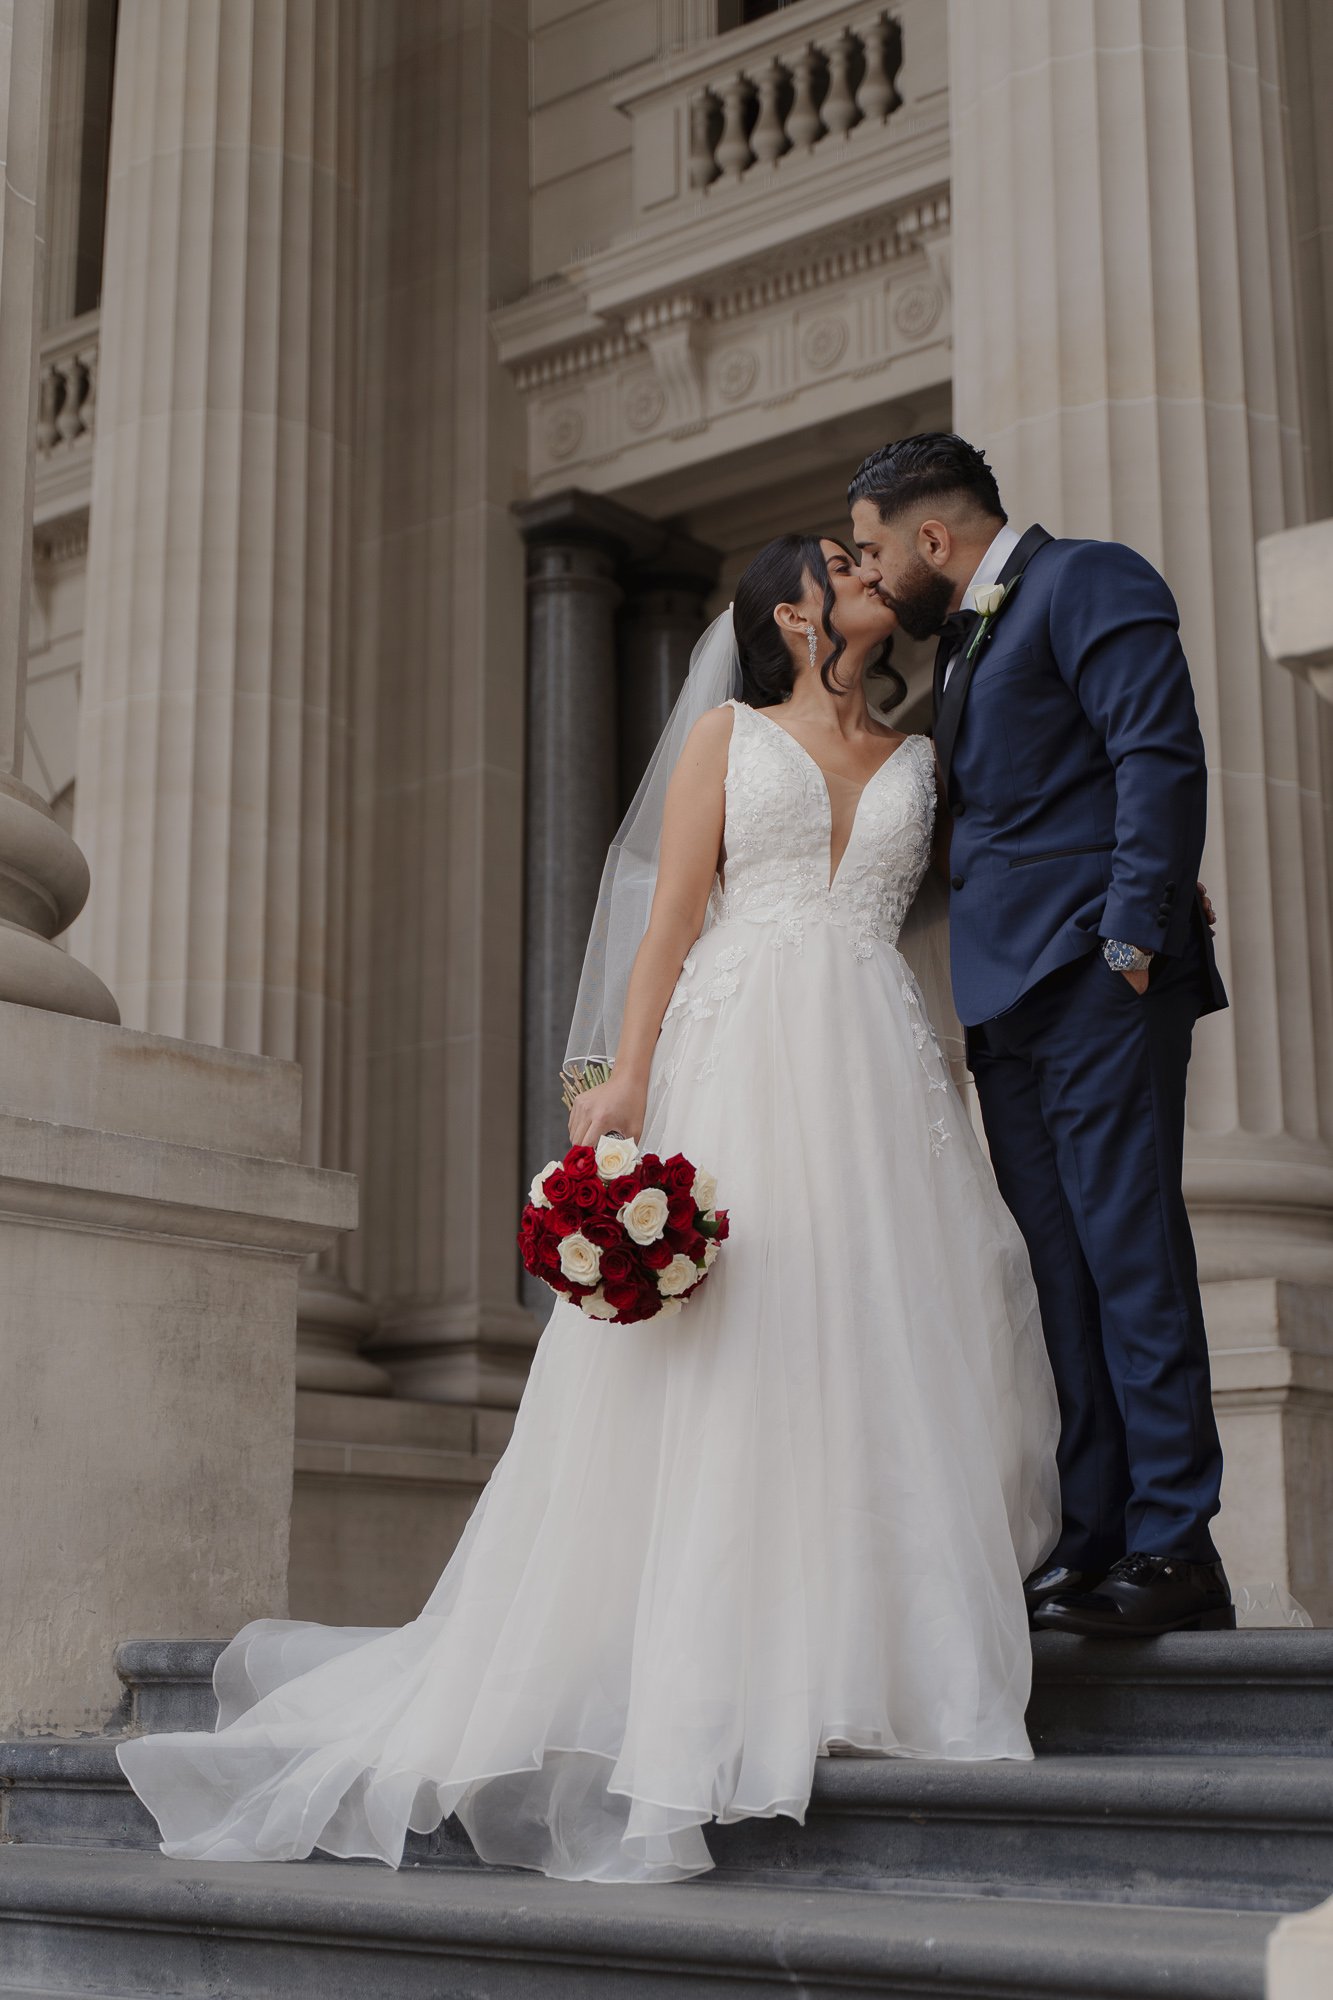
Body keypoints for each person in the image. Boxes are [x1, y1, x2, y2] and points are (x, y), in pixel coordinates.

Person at [117, 535, 1060, 1886]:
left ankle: (874, 1663)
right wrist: (620, 1079)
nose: (867, 573)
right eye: (843, 565)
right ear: (795, 613)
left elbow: (966, 905)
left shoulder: (923, 755)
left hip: (879, 1063)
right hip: (741, 1053)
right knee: (740, 1341)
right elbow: (668, 919)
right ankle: (713, 1675)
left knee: (878, 1337)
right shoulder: (728, 737)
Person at [849, 433, 1232, 1638]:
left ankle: (1178, 1539)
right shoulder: (959, 644)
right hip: (1003, 1007)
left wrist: (1132, 934)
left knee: (1129, 1254)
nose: (868, 571)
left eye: (871, 549)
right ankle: (1095, 1532)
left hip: (1092, 980)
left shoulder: (1086, 579)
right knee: (1056, 1275)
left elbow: (1156, 753)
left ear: (931, 537)